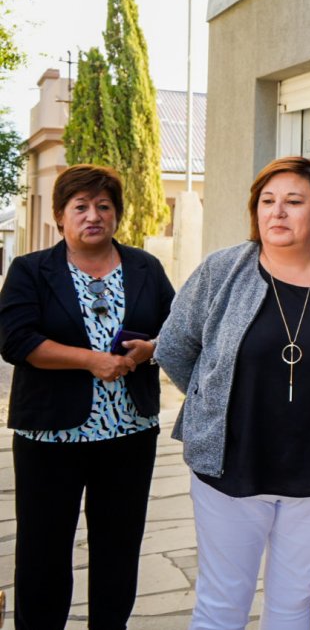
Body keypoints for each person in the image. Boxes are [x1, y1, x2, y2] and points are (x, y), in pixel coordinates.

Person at [155, 156, 310, 629]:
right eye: (267, 201)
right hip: (232, 468)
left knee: (292, 606)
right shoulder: (222, 270)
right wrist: (211, 406)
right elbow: (175, 347)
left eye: (294, 201)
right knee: (221, 607)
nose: (277, 212)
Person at [0, 164, 173, 629]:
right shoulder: (31, 270)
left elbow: (177, 328)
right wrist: (90, 360)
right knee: (43, 551)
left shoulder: (145, 267)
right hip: (50, 437)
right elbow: (16, 341)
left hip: (129, 433)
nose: (93, 215)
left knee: (119, 547)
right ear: (60, 215)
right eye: (80, 207)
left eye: (103, 206)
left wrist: (152, 349)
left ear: (117, 214)